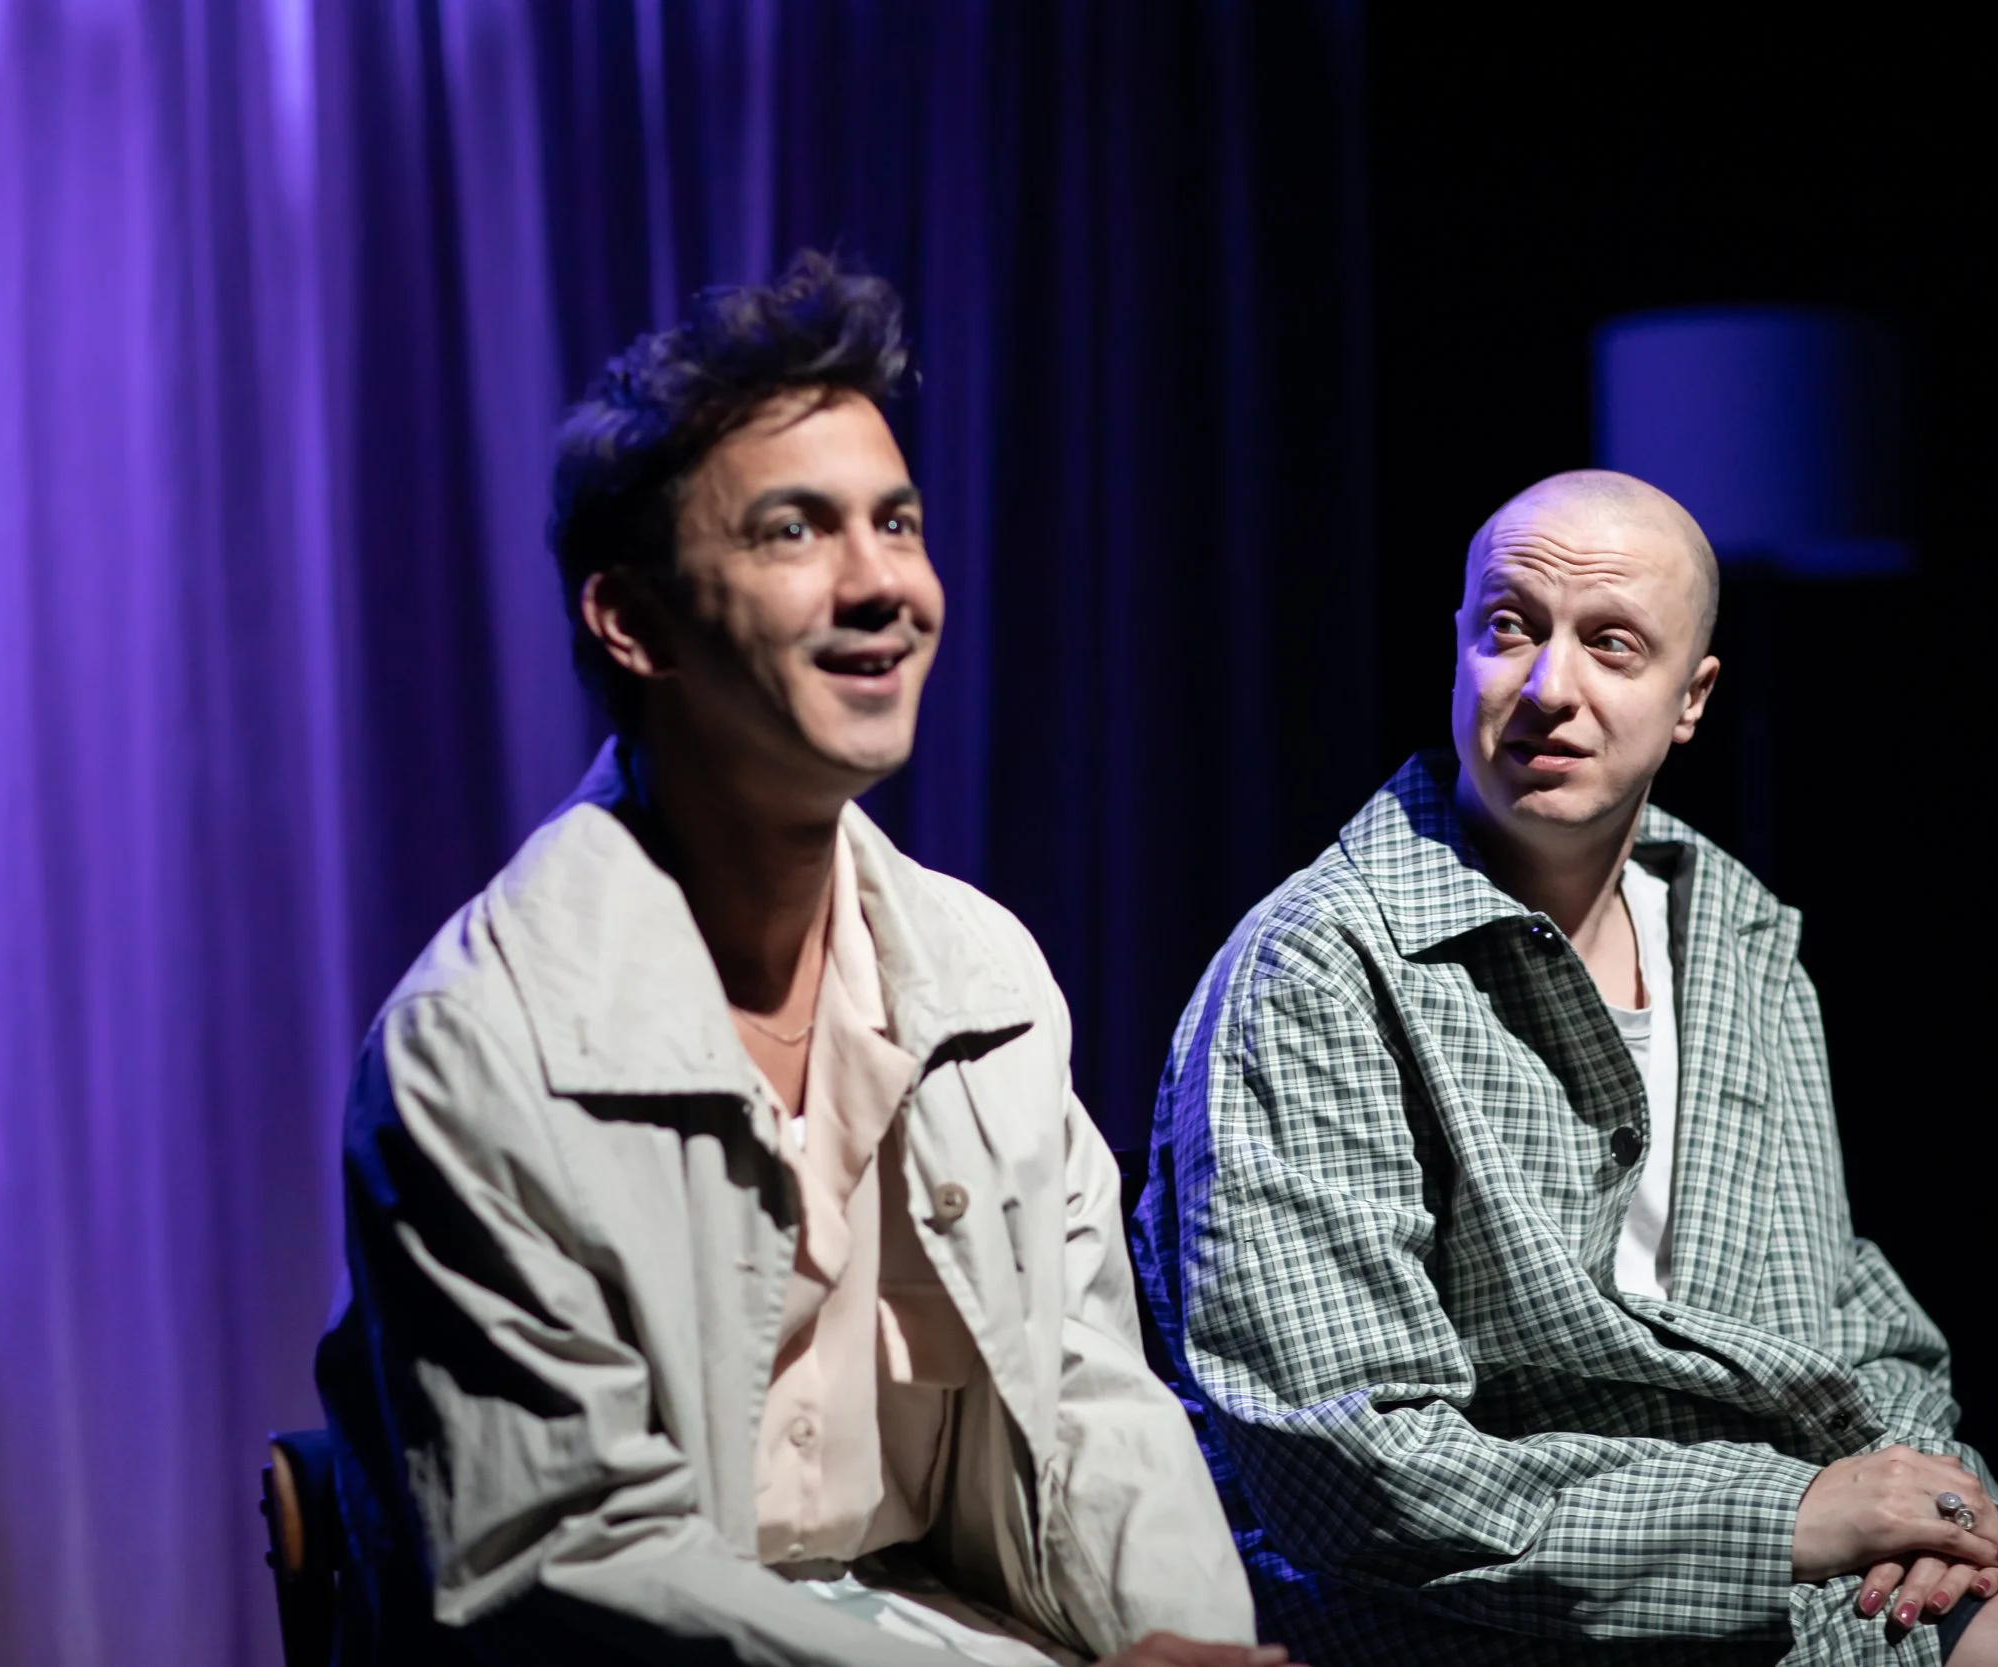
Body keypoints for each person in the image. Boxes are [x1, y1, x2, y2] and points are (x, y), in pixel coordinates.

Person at [316, 254, 1278, 1667]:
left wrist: (1191, 1640)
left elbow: (1087, 1402)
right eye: (794, 530)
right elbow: (575, 1572)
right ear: (630, 619)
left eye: (899, 520)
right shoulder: (476, 1050)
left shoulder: (985, 980)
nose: (883, 581)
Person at [1131, 471, 1998, 1666]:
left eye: (1612, 646)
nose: (1547, 688)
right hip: (1468, 1574)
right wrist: (1792, 1518)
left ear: (1690, 698)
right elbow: (1345, 1458)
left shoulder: (1738, 938)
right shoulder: (1314, 970)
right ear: (1457, 648)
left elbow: (1848, 1304)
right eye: (1508, 627)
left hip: (1793, 1497)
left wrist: (1936, 1504)